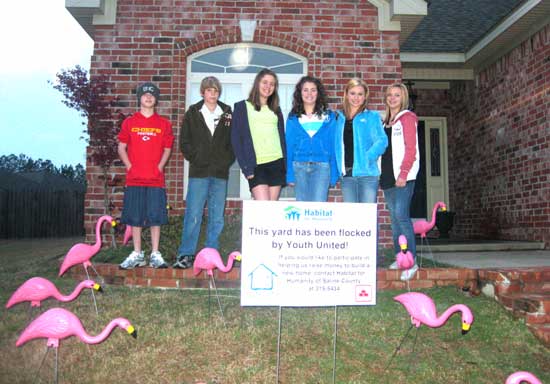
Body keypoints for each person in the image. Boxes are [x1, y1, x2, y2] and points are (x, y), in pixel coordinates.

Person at [173, 76, 234, 269]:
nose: (212, 94)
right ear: (202, 92)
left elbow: (233, 143)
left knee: (217, 217)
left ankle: (211, 254)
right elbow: (184, 142)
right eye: (209, 90)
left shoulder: (227, 113)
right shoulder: (193, 112)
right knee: (193, 214)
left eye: (215, 91)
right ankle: (186, 254)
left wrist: (225, 161)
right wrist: (197, 157)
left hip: (220, 173)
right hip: (198, 172)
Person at [118, 82, 174, 269]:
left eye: (152, 95)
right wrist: (129, 166)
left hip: (155, 180)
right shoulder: (129, 122)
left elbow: (167, 148)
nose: (148, 97)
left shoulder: (164, 124)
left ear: (156, 99)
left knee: (155, 217)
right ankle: (137, 253)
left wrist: (159, 166)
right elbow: (121, 147)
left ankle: (155, 254)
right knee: (135, 217)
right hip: (134, 179)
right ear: (139, 98)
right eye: (144, 94)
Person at [380, 83, 420, 281]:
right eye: (389, 95)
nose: (392, 98)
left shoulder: (407, 118)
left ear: (403, 98)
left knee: (402, 217)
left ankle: (411, 262)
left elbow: (411, 149)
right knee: (395, 221)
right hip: (387, 177)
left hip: (403, 177)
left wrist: (403, 173)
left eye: (397, 95)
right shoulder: (386, 121)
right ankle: (400, 256)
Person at [231, 68, 286, 200]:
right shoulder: (242, 107)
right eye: (265, 82)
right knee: (263, 208)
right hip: (256, 165)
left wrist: (285, 166)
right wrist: (246, 168)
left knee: (271, 211)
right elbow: (236, 140)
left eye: (272, 84)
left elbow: (281, 138)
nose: (268, 87)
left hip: (276, 162)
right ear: (257, 83)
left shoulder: (276, 109)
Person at [335, 78, 388, 203]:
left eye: (360, 94)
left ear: (365, 97)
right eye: (352, 93)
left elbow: (382, 141)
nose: (356, 97)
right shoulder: (338, 118)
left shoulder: (372, 116)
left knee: (368, 219)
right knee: (351, 220)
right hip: (347, 176)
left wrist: (368, 157)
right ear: (346, 95)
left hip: (367, 175)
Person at [285, 76, 338, 201]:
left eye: (313, 90)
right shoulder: (293, 117)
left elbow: (333, 145)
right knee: (302, 210)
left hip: (322, 168)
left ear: (318, 93)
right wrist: (290, 175)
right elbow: (289, 146)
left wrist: (334, 173)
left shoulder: (328, 117)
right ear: (300, 93)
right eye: (305, 90)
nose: (309, 94)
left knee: (318, 210)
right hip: (299, 167)